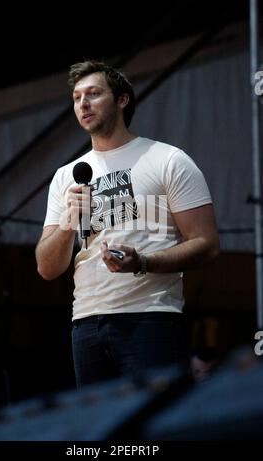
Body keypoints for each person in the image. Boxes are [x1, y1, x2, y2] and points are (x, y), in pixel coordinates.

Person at [35, 60, 220, 388]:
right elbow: (47, 269)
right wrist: (67, 223)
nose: (83, 104)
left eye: (93, 94)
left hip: (151, 316)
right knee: (98, 432)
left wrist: (143, 262)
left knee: (154, 429)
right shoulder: (67, 176)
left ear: (122, 100)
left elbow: (206, 244)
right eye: (77, 98)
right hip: (86, 323)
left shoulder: (167, 160)